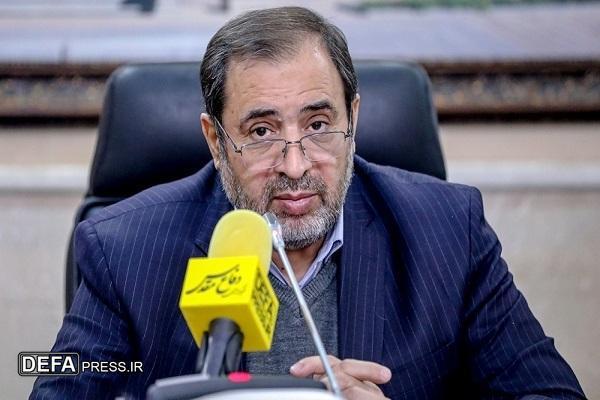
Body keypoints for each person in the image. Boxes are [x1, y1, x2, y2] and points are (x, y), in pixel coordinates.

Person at [31, 6, 585, 400]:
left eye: (318, 125)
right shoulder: (122, 249)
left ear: (353, 120)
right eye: (262, 132)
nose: (295, 167)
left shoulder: (447, 232)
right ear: (215, 141)